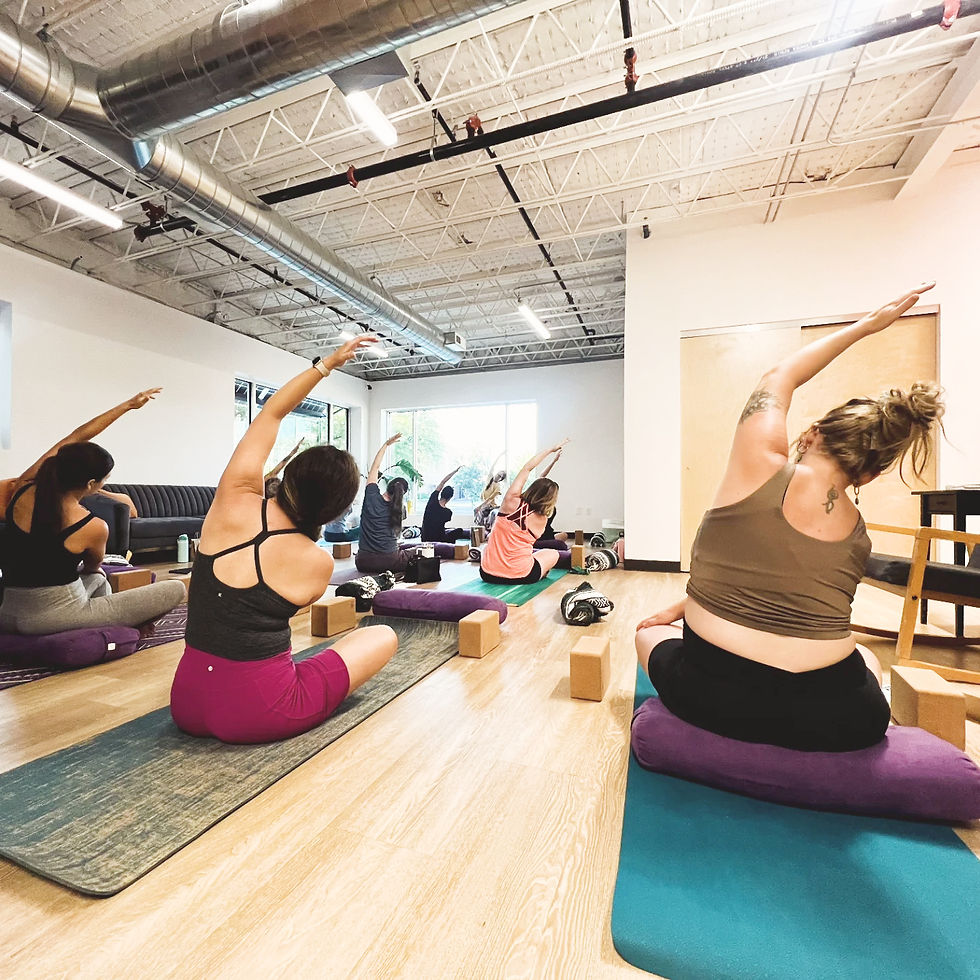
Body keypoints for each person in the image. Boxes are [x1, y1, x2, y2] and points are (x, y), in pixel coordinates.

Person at [635, 283, 945, 752]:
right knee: (866, 658)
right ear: (873, 473)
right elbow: (788, 590)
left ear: (814, 431)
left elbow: (781, 375)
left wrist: (866, 326)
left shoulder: (757, 462)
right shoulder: (859, 537)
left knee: (651, 634)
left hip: (712, 696)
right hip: (841, 718)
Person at [170, 336, 397, 744]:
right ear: (335, 512)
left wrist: (326, 364)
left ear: (288, 474)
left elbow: (271, 413)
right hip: (261, 711)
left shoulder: (232, 501)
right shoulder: (317, 564)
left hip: (186, 701)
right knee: (381, 635)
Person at [0, 389, 187, 634]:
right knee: (176, 589)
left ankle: (107, 623)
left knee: (99, 580)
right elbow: (91, 567)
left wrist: (128, 405)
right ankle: (115, 628)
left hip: (9, 609)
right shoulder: (93, 526)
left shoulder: (22, 490)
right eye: (104, 479)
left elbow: (77, 436)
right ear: (90, 484)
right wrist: (128, 405)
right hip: (52, 616)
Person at [480, 440, 569, 584]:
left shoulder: (510, 500)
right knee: (552, 554)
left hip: (488, 574)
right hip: (523, 575)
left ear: (532, 487)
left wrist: (550, 450)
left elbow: (527, 468)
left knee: (486, 548)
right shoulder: (543, 519)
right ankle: (541, 573)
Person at [354, 434, 418, 574]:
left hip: (363, 562)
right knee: (420, 550)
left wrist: (386, 445)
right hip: (391, 561)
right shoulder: (400, 509)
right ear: (403, 493)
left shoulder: (371, 496)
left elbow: (375, 468)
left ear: (387, 485)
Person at [421, 466, 467, 543]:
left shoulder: (432, 499)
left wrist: (455, 471)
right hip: (440, 540)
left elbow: (443, 482)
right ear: (450, 498)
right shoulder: (448, 512)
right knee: (459, 531)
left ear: (441, 493)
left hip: (425, 538)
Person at [533, 450, 569, 547]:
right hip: (536, 539)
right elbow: (541, 478)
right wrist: (553, 460)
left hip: (546, 536)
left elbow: (541, 477)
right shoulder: (534, 505)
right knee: (561, 545)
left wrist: (554, 461)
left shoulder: (551, 508)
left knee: (564, 535)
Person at [473, 452, 506, 529]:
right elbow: (492, 467)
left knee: (480, 511)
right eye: (498, 474)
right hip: (485, 503)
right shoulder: (489, 478)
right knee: (476, 511)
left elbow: (490, 499)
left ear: (501, 479)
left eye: (500, 476)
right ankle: (480, 528)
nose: (498, 476)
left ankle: (481, 529)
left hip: (490, 505)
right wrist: (499, 456)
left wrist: (480, 506)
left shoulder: (497, 487)